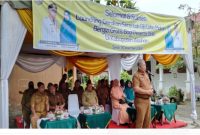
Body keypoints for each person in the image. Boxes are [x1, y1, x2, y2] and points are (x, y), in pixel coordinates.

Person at [132, 59, 153, 128]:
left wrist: (151, 89)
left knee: (147, 121)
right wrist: (147, 92)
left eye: (145, 65)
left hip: (147, 100)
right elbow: (136, 88)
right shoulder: (136, 75)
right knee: (140, 121)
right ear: (139, 67)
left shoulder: (146, 74)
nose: (145, 66)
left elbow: (149, 84)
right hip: (140, 101)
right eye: (144, 65)